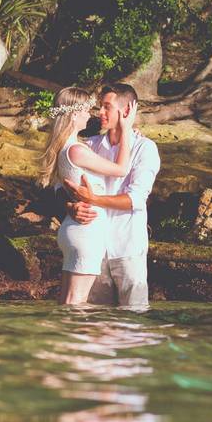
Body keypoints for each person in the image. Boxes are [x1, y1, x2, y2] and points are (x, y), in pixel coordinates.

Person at [64, 83, 160, 308]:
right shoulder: (91, 144)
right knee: (96, 323)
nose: (100, 113)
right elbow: (63, 185)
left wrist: (91, 199)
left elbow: (135, 200)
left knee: (132, 321)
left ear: (126, 112)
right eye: (100, 107)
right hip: (95, 247)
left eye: (107, 107)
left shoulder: (144, 149)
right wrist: (71, 206)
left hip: (128, 247)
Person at [38, 87, 136, 304]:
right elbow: (121, 169)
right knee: (77, 301)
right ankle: (71, 336)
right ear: (73, 114)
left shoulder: (69, 148)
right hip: (86, 230)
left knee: (67, 300)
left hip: (76, 228)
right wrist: (126, 129)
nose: (89, 114)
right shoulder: (77, 150)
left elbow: (58, 186)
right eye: (84, 110)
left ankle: (54, 336)